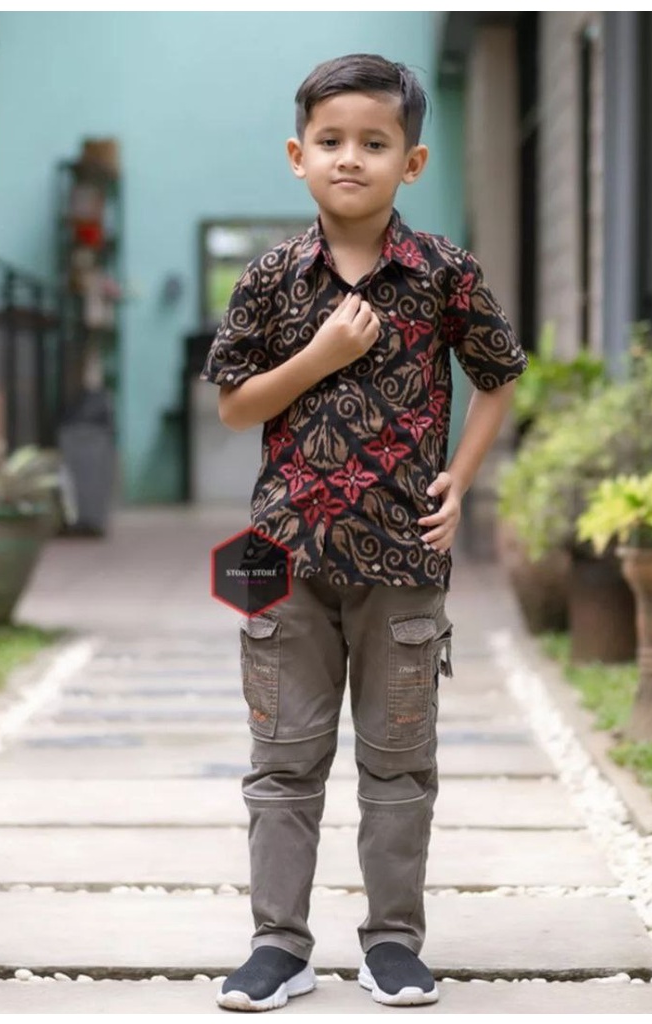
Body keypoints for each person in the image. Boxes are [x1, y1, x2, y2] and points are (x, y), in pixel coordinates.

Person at [201, 52, 526, 1012]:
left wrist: (461, 484)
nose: (352, 159)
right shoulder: (270, 278)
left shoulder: (443, 274)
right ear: (299, 156)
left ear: (411, 163)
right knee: (282, 760)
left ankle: (393, 943)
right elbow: (233, 406)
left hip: (404, 559)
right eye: (332, 142)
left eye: (374, 143)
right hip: (284, 555)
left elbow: (501, 377)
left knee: (398, 762)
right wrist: (321, 354)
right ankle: (278, 946)